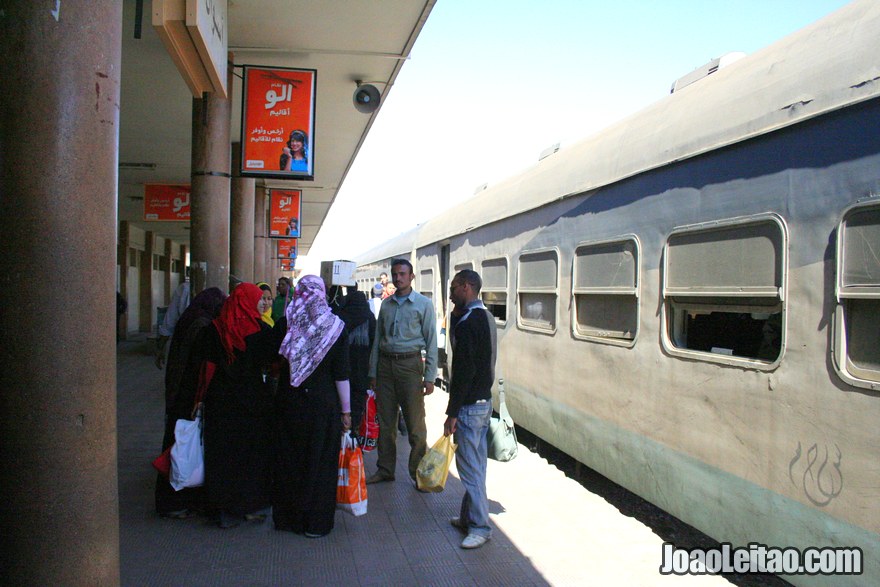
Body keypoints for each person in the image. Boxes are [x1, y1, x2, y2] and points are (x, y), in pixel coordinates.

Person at [192, 283, 280, 528]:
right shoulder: (259, 329)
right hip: (253, 403)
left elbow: (206, 368)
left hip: (220, 402)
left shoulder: (214, 329)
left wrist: (199, 398)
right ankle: (248, 506)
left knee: (221, 455)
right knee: (250, 456)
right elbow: (273, 363)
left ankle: (220, 508)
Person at [273, 275, 351, 538]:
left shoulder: (286, 323)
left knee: (290, 460)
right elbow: (342, 374)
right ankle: (316, 523)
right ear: (321, 294)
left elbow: (274, 363)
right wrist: (346, 411)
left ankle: (289, 519)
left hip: (290, 403)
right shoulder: (336, 327)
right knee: (321, 463)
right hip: (323, 406)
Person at [154, 287, 227, 518]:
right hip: (189, 394)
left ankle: (175, 500)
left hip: (180, 391)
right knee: (182, 449)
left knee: (178, 444)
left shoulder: (191, 318)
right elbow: (200, 365)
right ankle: (174, 502)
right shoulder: (202, 326)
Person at [367, 259, 437, 486]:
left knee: (415, 425)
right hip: (386, 366)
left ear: (412, 276)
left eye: (403, 274)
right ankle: (385, 469)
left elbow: (432, 342)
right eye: (395, 274)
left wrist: (429, 377)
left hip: (410, 366)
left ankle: (418, 473)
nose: (398, 278)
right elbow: (378, 339)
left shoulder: (423, 304)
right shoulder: (386, 305)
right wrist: (373, 372)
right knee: (386, 423)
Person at [444, 269, 497, 549]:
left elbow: (463, 372)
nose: (451, 292)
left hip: (468, 407)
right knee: (477, 465)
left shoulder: (467, 323)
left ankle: (480, 526)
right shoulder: (485, 317)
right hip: (484, 402)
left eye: (454, 287)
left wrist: (452, 412)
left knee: (469, 469)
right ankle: (468, 518)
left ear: (467, 287)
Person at [335, 285, 376, 432]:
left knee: (341, 404)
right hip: (362, 371)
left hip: (342, 370)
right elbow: (374, 344)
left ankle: (342, 437)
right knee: (358, 405)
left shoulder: (340, 317)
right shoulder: (369, 317)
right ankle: (354, 438)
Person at [156, 281, 191, 369]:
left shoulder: (184, 289)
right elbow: (169, 322)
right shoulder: (185, 289)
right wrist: (160, 348)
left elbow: (169, 323)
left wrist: (160, 348)